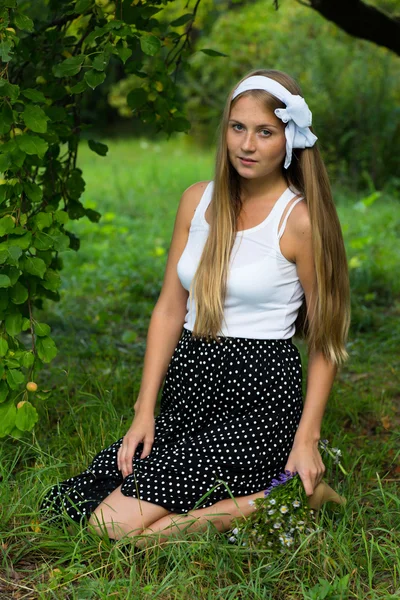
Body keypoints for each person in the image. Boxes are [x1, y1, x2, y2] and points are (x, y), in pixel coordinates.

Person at [41, 68, 350, 546]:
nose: (247, 144)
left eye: (265, 132)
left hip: (258, 398)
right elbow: (169, 308)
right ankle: (252, 498)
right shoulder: (196, 201)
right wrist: (144, 411)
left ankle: (292, 496)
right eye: (237, 127)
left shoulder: (299, 220)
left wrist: (305, 439)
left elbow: (326, 341)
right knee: (68, 506)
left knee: (116, 528)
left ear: (290, 139)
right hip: (190, 390)